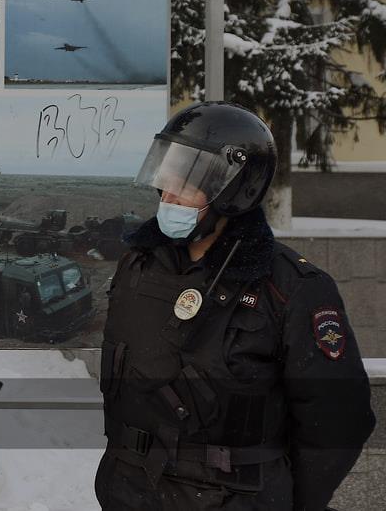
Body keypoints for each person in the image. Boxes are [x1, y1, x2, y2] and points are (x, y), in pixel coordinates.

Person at [95, 102, 376, 510]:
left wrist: (285, 499)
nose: (167, 197)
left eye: (185, 185)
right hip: (129, 495)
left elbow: (337, 421)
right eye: (166, 181)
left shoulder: (292, 288)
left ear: (232, 191)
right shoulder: (137, 266)